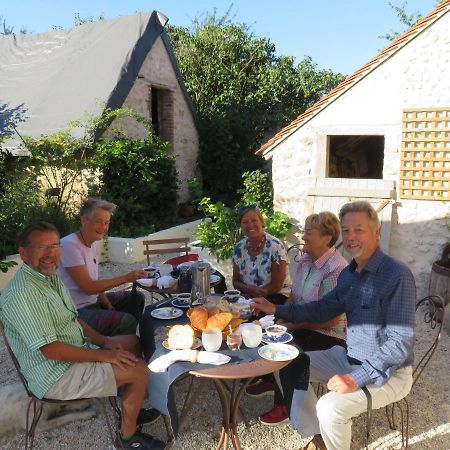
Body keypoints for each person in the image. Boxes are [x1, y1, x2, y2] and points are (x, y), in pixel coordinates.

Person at [252, 201, 416, 450]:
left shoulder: (396, 275)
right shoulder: (349, 274)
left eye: (358, 229)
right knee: (284, 362)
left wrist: (356, 378)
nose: (351, 237)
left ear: (377, 231)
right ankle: (318, 438)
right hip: (350, 357)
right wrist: (276, 309)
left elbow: (400, 343)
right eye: (347, 230)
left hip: (388, 374)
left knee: (329, 407)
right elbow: (322, 308)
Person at [0, 222, 164, 450]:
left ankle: (128, 408)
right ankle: (127, 439)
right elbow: (50, 350)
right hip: (54, 374)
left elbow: (73, 319)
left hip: (70, 355)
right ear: (24, 253)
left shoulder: (49, 278)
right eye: (42, 247)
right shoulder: (22, 293)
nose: (51, 254)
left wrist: (106, 342)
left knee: (132, 342)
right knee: (138, 370)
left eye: (55, 246)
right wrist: (105, 356)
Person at [247, 211, 348, 427]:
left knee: (283, 342)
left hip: (328, 334)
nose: (303, 237)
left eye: (308, 232)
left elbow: (329, 319)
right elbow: (293, 296)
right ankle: (271, 379)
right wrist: (278, 318)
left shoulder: (337, 269)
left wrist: (288, 324)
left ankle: (285, 404)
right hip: (302, 322)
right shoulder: (306, 259)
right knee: (267, 329)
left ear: (326, 238)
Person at [59, 198, 148, 336]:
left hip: (93, 302)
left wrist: (107, 304)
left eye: (106, 223)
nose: (103, 227)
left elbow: (95, 280)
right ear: (84, 220)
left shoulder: (93, 242)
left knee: (137, 297)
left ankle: (125, 341)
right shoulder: (69, 245)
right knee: (127, 321)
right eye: (98, 222)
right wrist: (125, 278)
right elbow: (89, 287)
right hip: (76, 312)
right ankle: (121, 345)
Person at [232, 204, 291, 305]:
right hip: (249, 297)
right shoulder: (239, 248)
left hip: (276, 297)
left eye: (254, 220)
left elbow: (277, 286)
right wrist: (250, 291)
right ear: (241, 226)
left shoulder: (275, 246)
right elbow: (236, 282)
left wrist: (255, 296)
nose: (250, 225)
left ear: (262, 222)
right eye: (245, 222)